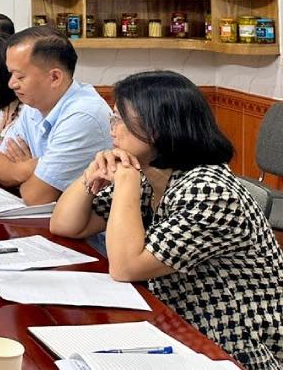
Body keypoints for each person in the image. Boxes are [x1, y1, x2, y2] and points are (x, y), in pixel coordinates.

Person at [50, 71, 283, 368]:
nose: (112, 129)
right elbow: (65, 225)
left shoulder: (209, 190)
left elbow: (125, 267)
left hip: (232, 347)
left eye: (120, 119)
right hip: (178, 328)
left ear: (158, 128)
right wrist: (90, 174)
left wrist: (125, 181)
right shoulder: (153, 177)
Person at [0, 26, 111, 205]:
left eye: (20, 77)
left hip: (87, 222)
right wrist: (30, 167)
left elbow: (36, 197)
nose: (11, 84)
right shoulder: (34, 105)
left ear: (55, 77)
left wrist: (21, 173)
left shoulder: (83, 115)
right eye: (11, 74)